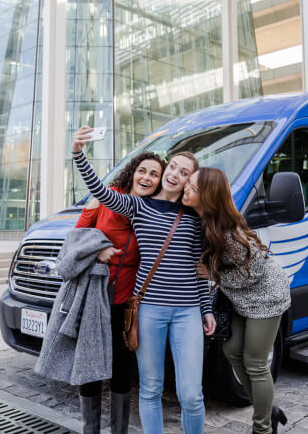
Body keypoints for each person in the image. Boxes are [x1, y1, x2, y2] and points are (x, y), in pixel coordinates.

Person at [71, 126, 216, 434]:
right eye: (173, 166)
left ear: (190, 180)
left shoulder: (194, 217)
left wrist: (206, 309)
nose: (174, 173)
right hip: (148, 308)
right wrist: (78, 153)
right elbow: (100, 191)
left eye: (184, 171)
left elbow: (197, 269)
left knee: (191, 394)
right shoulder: (139, 205)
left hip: (187, 310)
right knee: (150, 388)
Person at [186, 168, 291, 434]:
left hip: (267, 296)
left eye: (193, 187)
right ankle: (267, 410)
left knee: (255, 362)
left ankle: (263, 428)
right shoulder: (202, 221)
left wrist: (212, 275)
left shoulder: (227, 233)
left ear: (208, 195)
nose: (186, 188)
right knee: (232, 351)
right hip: (242, 299)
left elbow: (254, 272)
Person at [75, 153, 165, 434]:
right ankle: (90, 429)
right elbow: (76, 238)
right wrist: (97, 250)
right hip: (94, 296)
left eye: (154, 174)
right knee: (89, 365)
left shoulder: (153, 211)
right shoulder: (108, 197)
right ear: (132, 172)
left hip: (126, 301)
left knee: (121, 368)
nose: (147, 178)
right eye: (143, 171)